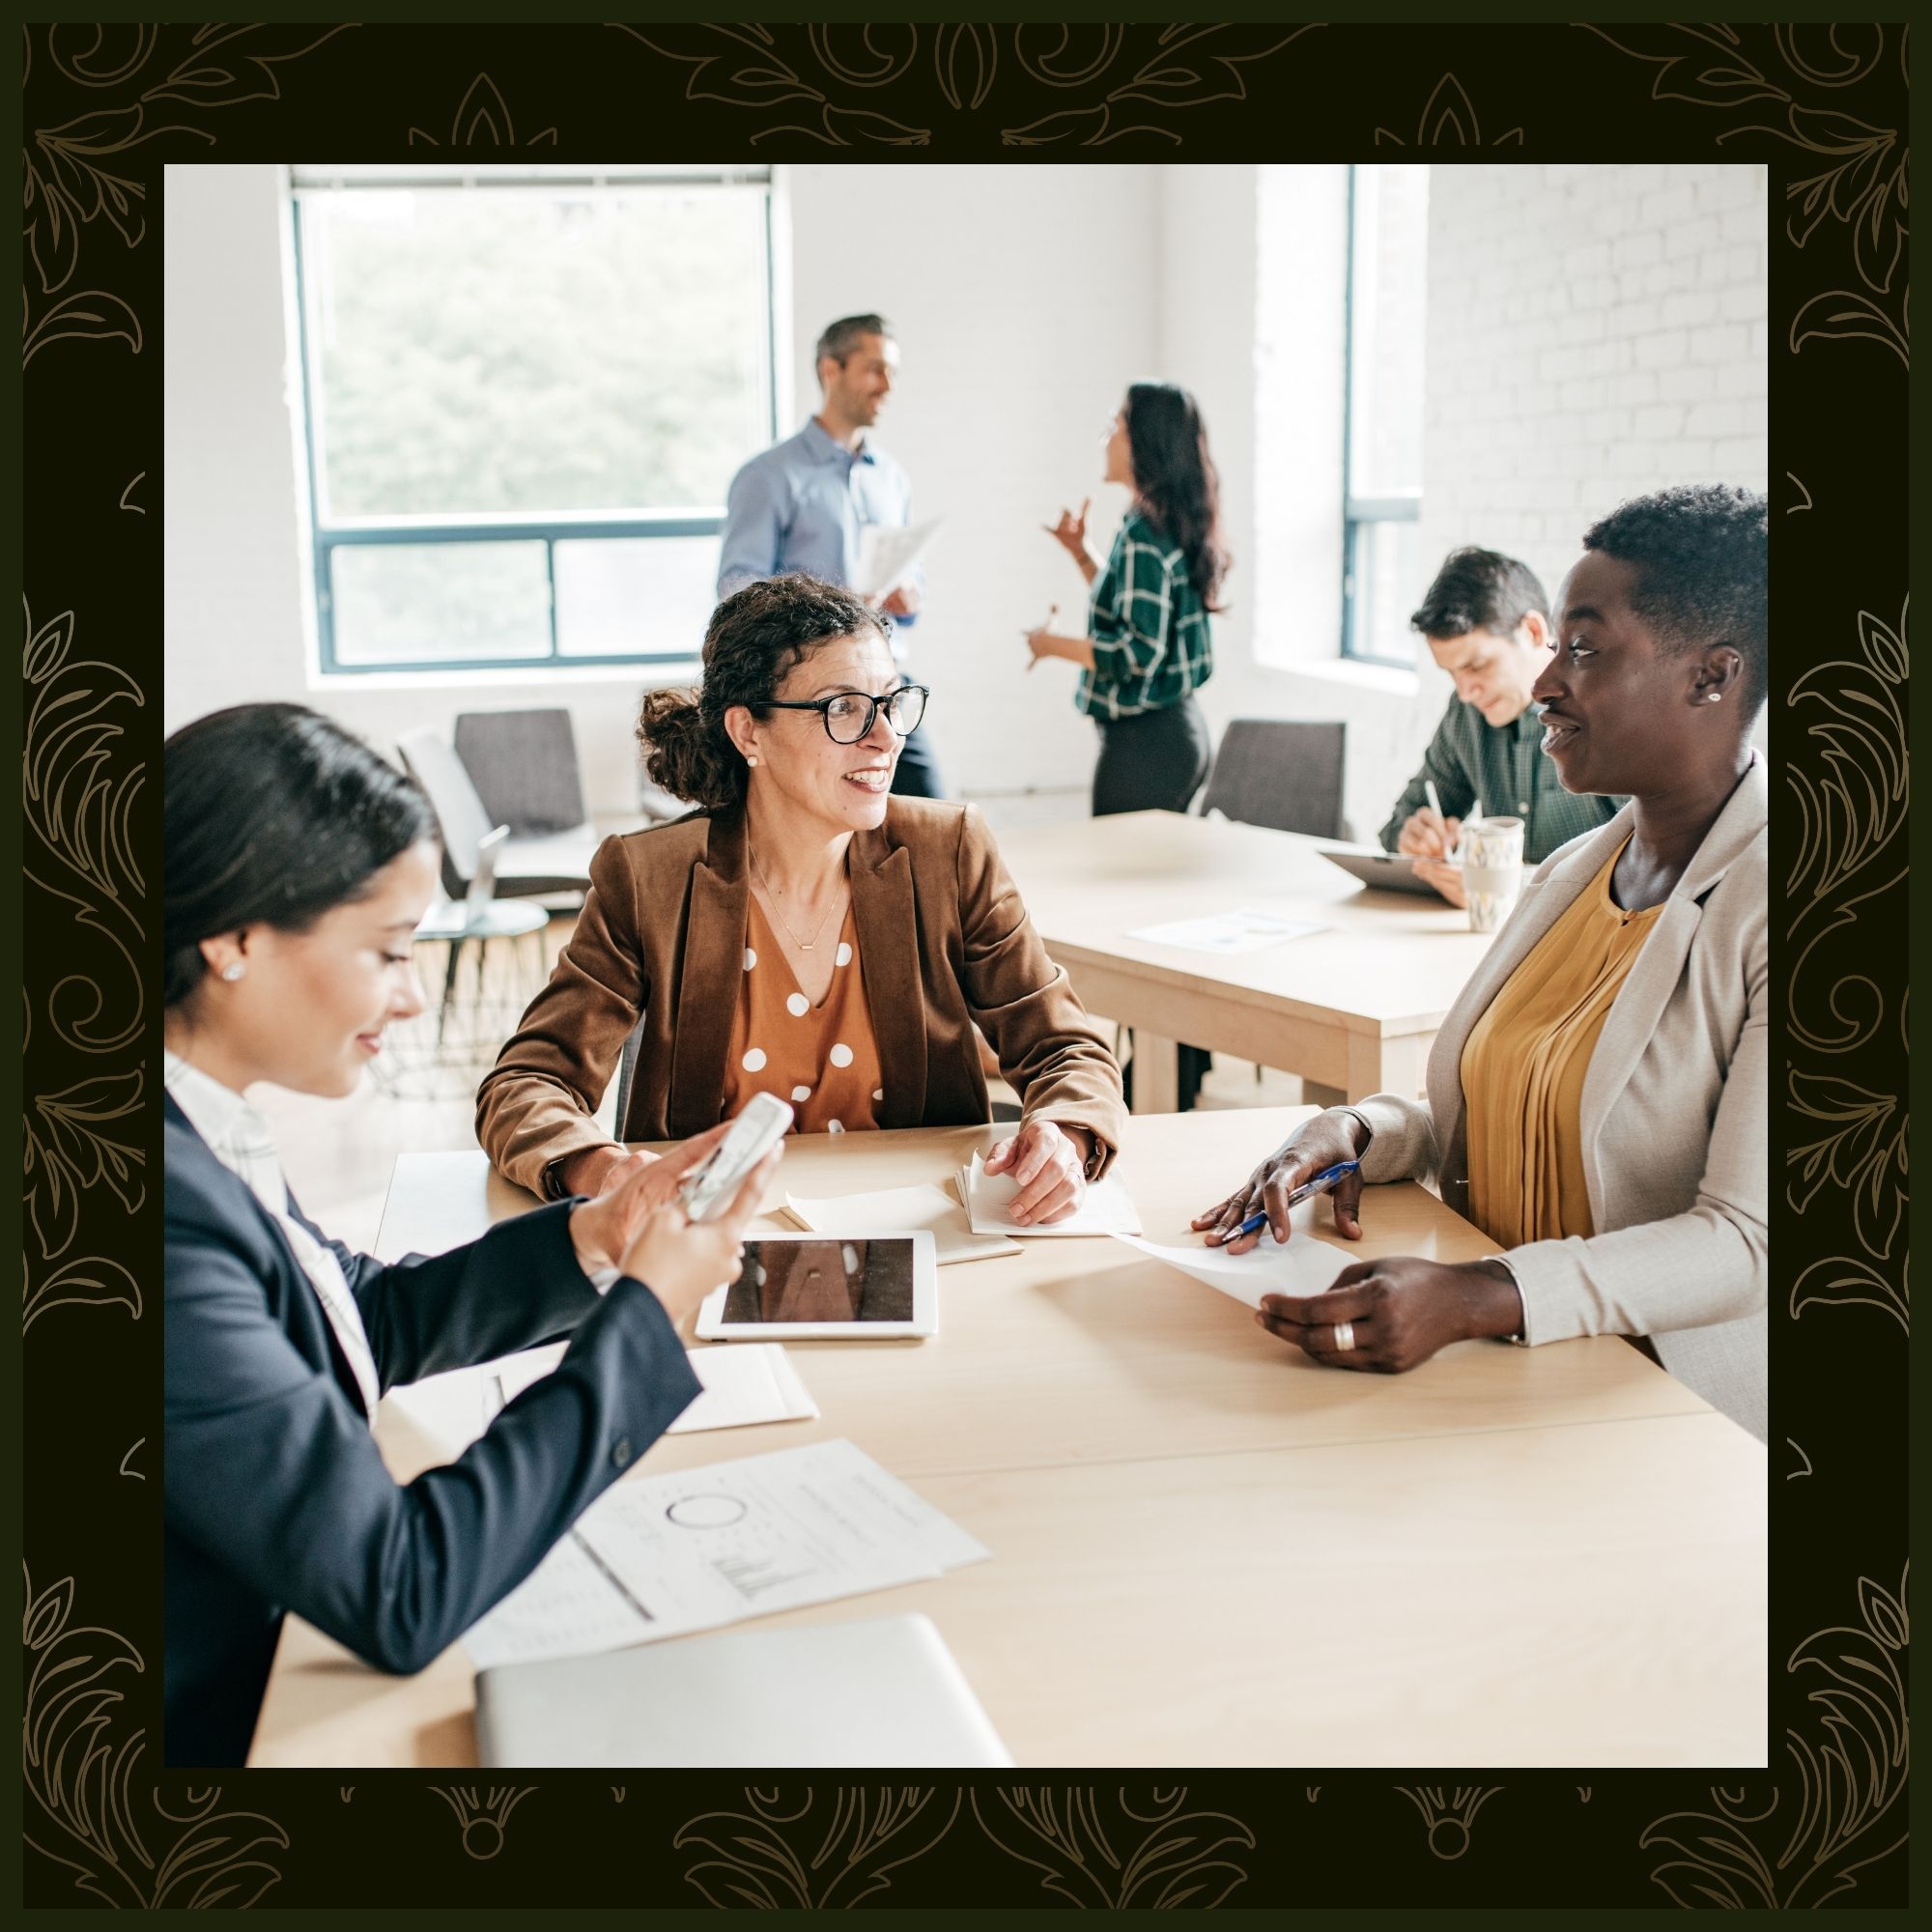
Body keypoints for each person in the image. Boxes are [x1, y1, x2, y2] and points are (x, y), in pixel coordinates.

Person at [163, 704, 779, 1765]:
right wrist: (646, 1313)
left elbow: (346, 1313)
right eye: (389, 951)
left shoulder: (202, 1124)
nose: (409, 996)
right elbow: (399, 1588)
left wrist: (594, 1236)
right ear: (234, 937)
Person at [1194, 486, 1768, 1440]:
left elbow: (1745, 1241)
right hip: (1499, 1380)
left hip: (1656, 1411)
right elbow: (1516, 1102)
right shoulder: (1572, 872)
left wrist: (1476, 1295)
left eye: (1580, 649)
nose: (1544, 683)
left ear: (1710, 676)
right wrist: (1354, 1131)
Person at [476, 574, 1126, 1226]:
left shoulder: (948, 851)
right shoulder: (649, 880)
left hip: (923, 1236)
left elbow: (1066, 1047)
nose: (885, 737)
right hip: (713, 1245)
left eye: (892, 702)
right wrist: (607, 1170)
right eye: (843, 708)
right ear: (748, 732)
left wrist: (1064, 1135)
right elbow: (527, 1083)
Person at [717, 312, 943, 799]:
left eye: (893, 373)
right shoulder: (769, 476)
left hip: (885, 680)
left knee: (930, 810)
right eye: (875, 369)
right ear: (830, 369)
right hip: (812, 692)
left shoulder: (892, 478)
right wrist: (832, 602)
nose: (887, 385)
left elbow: (915, 584)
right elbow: (736, 588)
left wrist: (909, 596)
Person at [1380, 546, 1626, 906]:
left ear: (1532, 631)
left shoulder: (1611, 716)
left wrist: (1509, 886)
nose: (1465, 692)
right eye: (1451, 673)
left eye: (1477, 666)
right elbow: (1399, 823)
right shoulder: (1468, 715)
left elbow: (1651, 870)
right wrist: (1412, 837)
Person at [1028, 382, 1225, 816]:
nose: (1107, 439)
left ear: (1142, 443)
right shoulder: (1160, 521)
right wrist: (1081, 553)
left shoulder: (1143, 534)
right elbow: (1133, 609)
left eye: (1115, 427)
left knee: (1118, 880)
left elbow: (1136, 654)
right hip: (1176, 733)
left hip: (1147, 745)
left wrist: (1050, 645)